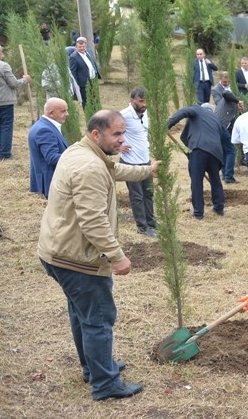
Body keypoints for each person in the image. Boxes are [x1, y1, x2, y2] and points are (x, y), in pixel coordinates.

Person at [38, 110, 159, 400]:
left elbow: (115, 171)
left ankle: (94, 368)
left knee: (83, 314)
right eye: (117, 134)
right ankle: (105, 384)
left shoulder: (81, 152)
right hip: (76, 258)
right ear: (97, 134)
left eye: (123, 132)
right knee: (98, 317)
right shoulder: (89, 167)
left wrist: (147, 170)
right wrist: (117, 257)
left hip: (56, 250)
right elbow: (92, 220)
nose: (122, 139)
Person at [167, 103, 226, 219]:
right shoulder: (216, 120)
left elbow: (184, 111)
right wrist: (190, 152)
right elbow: (184, 137)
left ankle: (198, 212)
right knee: (215, 180)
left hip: (199, 148)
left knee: (197, 181)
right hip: (216, 152)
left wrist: (167, 124)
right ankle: (219, 208)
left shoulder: (198, 110)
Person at [118, 89, 158, 236]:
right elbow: (107, 130)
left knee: (148, 193)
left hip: (146, 161)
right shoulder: (124, 115)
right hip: (130, 162)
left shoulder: (145, 113)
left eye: (145, 101)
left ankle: (151, 221)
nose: (144, 104)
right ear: (131, 100)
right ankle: (142, 227)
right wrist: (118, 146)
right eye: (141, 101)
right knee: (137, 196)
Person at [28, 98, 69, 197]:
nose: (67, 114)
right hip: (52, 181)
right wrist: (76, 155)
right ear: (51, 113)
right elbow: (52, 158)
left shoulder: (46, 125)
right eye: (63, 111)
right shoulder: (45, 130)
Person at [212, 72, 242, 184]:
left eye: (228, 80)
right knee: (231, 151)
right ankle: (229, 176)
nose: (227, 82)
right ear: (221, 79)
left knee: (226, 150)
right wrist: (237, 101)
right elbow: (226, 94)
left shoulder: (230, 89)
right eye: (225, 80)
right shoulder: (222, 91)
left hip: (226, 125)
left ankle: (225, 174)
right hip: (222, 125)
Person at [67, 37, 99, 109]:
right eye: (80, 47)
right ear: (76, 46)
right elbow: (72, 73)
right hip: (83, 85)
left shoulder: (88, 53)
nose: (82, 48)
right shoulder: (73, 57)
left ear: (86, 45)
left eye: (83, 46)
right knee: (86, 103)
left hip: (92, 81)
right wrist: (76, 86)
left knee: (94, 101)